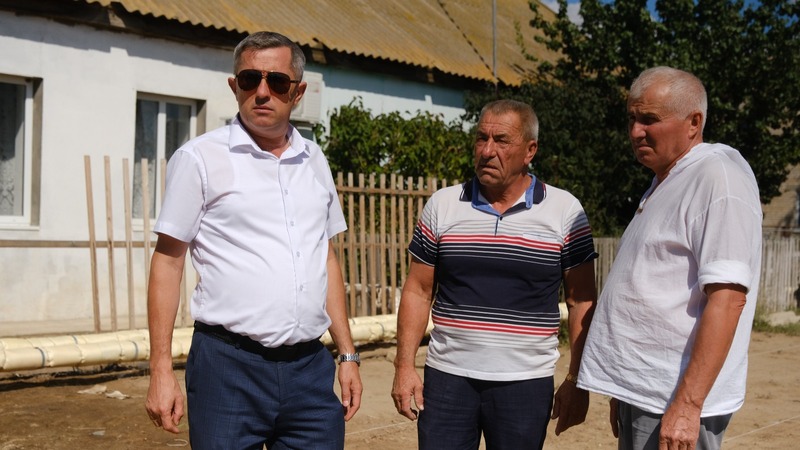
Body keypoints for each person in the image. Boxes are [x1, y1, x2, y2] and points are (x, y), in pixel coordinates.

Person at [144, 31, 362, 449]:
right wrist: (161, 369)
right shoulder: (199, 159)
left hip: (309, 370)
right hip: (227, 369)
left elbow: (326, 257)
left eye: (276, 82)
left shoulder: (314, 159)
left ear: (297, 92)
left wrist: (347, 353)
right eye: (249, 79)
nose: (262, 92)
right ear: (234, 86)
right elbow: (168, 262)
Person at [391, 99, 599, 449]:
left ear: (530, 150)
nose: (487, 151)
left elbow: (581, 301)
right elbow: (417, 291)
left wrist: (577, 380)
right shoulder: (443, 205)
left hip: (525, 383)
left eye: (501, 140)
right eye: (481, 138)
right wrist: (404, 367)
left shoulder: (565, 211)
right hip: (447, 379)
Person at [578, 66, 763, 450]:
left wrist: (688, 405)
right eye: (631, 118)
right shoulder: (668, 180)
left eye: (649, 119)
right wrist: (624, 386)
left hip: (673, 398)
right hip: (647, 392)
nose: (635, 132)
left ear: (694, 122)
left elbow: (728, 299)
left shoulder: (717, 178)